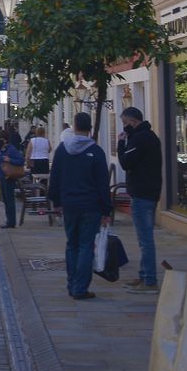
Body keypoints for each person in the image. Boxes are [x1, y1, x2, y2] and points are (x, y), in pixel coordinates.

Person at [46, 111, 111, 300]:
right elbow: (102, 183)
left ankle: (72, 283)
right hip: (91, 205)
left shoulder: (62, 150)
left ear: (74, 127)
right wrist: (106, 209)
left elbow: (55, 177)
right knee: (85, 245)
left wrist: (56, 201)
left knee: (72, 244)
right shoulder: (96, 151)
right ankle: (80, 287)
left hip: (69, 205)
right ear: (90, 128)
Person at [116, 107, 162, 293]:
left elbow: (126, 162)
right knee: (145, 237)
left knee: (145, 239)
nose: (124, 127)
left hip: (143, 194)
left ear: (133, 122)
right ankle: (144, 274)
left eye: (125, 123)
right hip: (148, 192)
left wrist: (120, 144)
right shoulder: (149, 137)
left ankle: (149, 280)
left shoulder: (141, 138)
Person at [0, 125, 26, 229]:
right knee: (5, 199)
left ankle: (11, 221)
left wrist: (10, 160)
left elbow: (21, 161)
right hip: (2, 177)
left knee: (9, 199)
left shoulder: (11, 149)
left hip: (9, 177)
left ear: (4, 140)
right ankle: (9, 220)